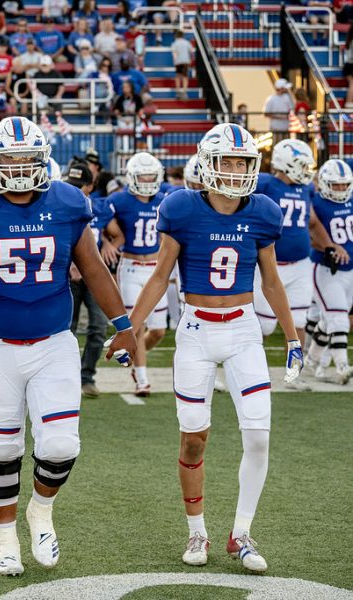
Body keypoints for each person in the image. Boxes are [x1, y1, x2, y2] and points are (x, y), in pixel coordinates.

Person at [0, 116, 137, 576]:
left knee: (59, 445)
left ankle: (41, 510)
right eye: (9, 158)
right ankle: (4, 537)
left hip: (54, 342)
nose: (17, 167)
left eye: (27, 158)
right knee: (0, 449)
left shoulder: (69, 202)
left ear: (43, 160)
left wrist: (123, 323)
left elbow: (93, 267)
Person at [127, 122, 301, 574]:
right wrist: (130, 326)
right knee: (192, 439)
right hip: (197, 330)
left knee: (259, 435)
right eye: (229, 160)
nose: (237, 169)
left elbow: (271, 280)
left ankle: (241, 532)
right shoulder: (181, 207)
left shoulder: (262, 210)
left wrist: (293, 336)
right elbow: (160, 277)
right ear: (208, 161)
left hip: (244, 329)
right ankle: (197, 529)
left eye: (244, 161)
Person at [253, 140, 345, 367]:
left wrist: (329, 245)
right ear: (286, 163)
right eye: (301, 165)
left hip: (301, 264)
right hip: (270, 264)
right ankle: (247, 364)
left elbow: (312, 223)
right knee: (264, 324)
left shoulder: (305, 188)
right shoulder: (265, 184)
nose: (306, 171)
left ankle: (294, 371)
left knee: (298, 321)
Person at [104, 151, 167, 396]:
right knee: (136, 327)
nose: (148, 180)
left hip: (155, 269)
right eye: (143, 176)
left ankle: (137, 356)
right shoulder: (119, 201)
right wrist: (106, 242)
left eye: (152, 176)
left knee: (159, 330)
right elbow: (98, 219)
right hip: (130, 266)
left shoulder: (165, 199)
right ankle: (142, 378)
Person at [64, 160, 114, 398]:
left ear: (90, 187)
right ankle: (69, 376)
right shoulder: (61, 206)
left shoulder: (99, 207)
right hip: (68, 275)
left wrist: (111, 245)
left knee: (98, 326)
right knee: (67, 330)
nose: (75, 189)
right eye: (72, 184)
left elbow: (117, 232)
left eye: (80, 185)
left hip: (92, 276)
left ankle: (87, 376)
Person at [305, 159, 353, 384]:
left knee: (328, 320)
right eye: (336, 185)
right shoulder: (315, 203)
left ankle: (312, 362)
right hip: (326, 269)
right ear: (324, 183)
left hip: (350, 272)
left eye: (344, 185)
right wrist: (330, 248)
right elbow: (307, 237)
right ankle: (343, 366)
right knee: (339, 319)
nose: (341, 189)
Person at [171, 29, 193, 101]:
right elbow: (191, 51)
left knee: (178, 76)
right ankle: (184, 91)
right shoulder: (187, 42)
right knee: (185, 77)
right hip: (185, 61)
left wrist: (175, 61)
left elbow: (174, 54)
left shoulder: (174, 43)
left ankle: (177, 92)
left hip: (178, 62)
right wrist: (190, 59)